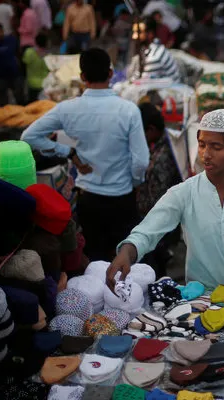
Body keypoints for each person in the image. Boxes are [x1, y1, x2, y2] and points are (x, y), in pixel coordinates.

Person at [107, 109, 224, 290]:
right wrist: (126, 253)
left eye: (216, 147)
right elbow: (147, 232)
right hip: (202, 299)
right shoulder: (184, 193)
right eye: (201, 145)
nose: (206, 154)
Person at [21, 48, 150, 262]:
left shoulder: (67, 109)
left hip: (88, 198)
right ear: (110, 74)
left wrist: (67, 152)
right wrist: (135, 183)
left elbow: (29, 136)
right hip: (122, 198)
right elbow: (141, 161)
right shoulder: (128, 110)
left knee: (95, 260)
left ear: (82, 77)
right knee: (127, 260)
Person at [136, 103, 184, 275]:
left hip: (156, 221)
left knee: (154, 267)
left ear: (151, 129)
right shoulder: (162, 145)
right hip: (154, 219)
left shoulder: (163, 156)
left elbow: (161, 196)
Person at [23, 33, 49, 103]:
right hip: (45, 84)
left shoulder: (29, 52)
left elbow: (25, 63)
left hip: (32, 83)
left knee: (33, 105)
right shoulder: (48, 55)